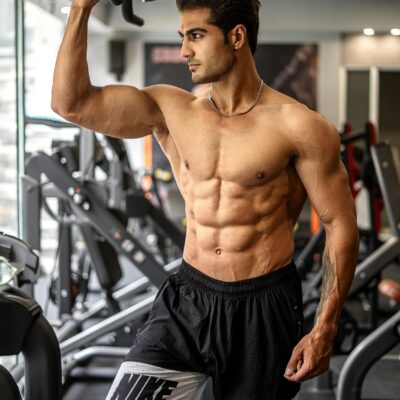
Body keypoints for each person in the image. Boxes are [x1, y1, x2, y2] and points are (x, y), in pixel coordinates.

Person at [51, 0, 359, 399]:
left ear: (236, 37)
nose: (184, 51)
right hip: (188, 297)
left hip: (263, 308)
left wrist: (324, 329)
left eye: (196, 36)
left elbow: (339, 223)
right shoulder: (171, 108)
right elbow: (70, 104)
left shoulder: (299, 125)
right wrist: (80, 9)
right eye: (182, 38)